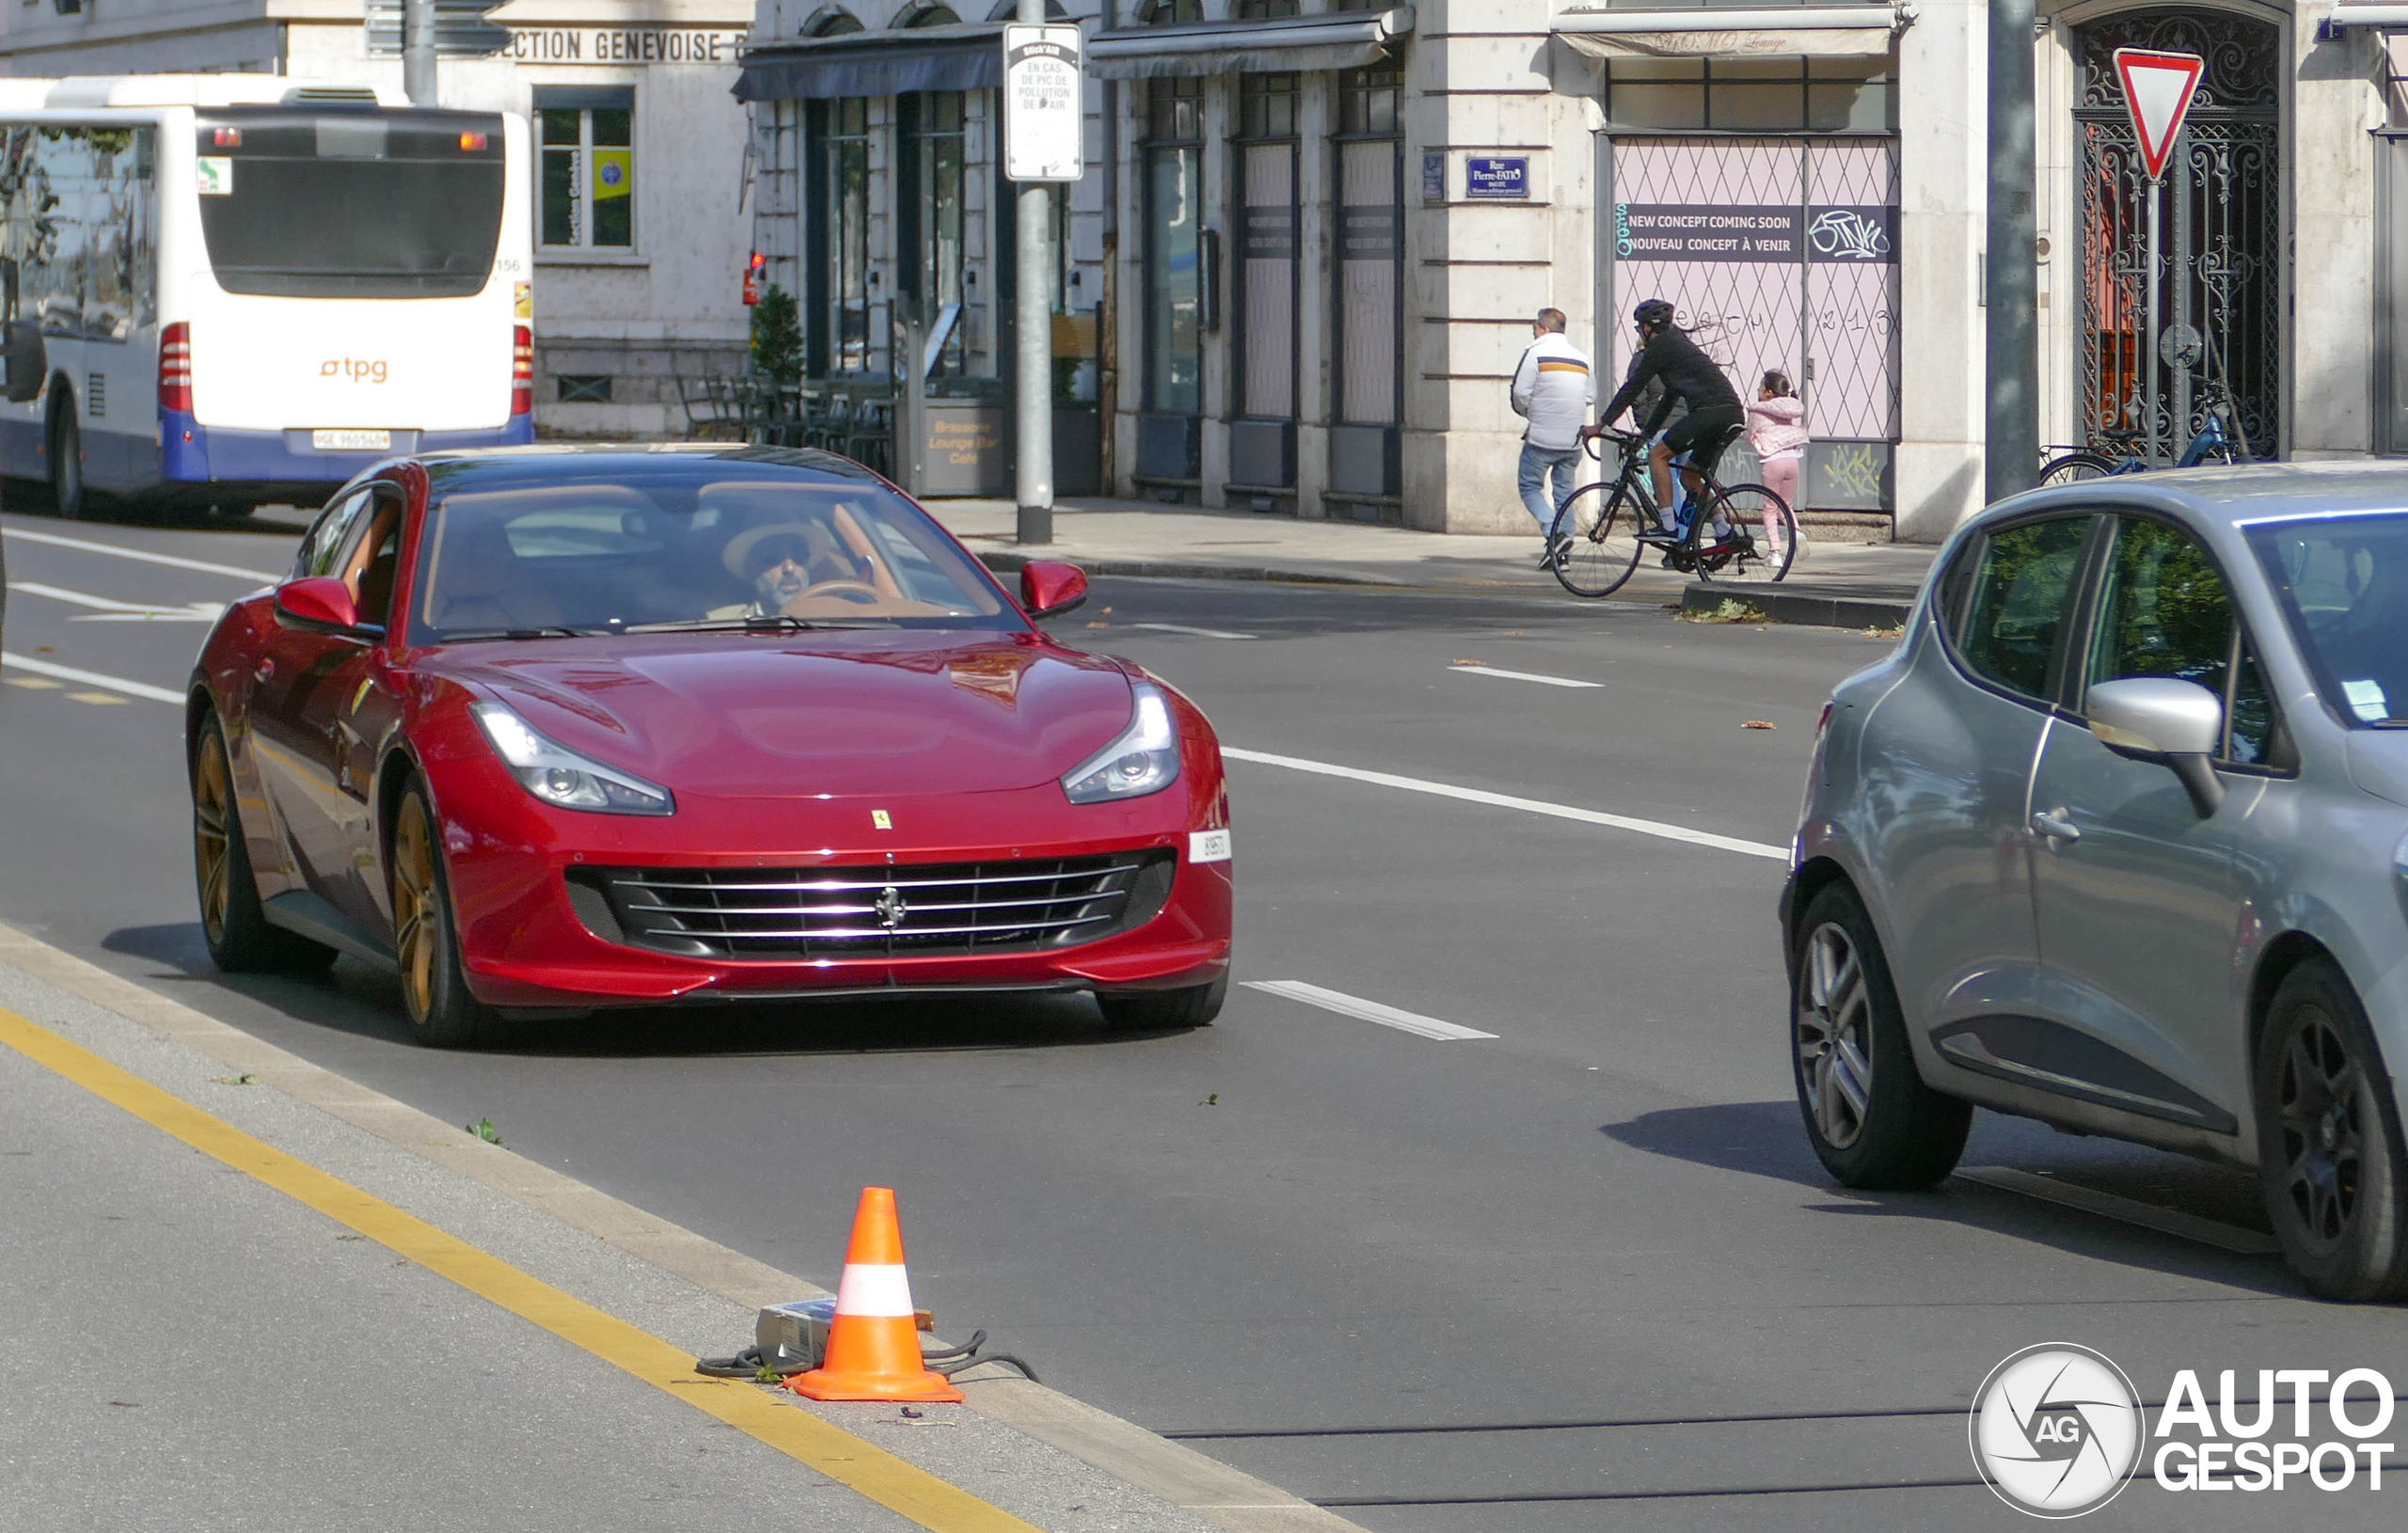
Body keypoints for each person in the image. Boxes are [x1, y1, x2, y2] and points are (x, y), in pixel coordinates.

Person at [1594, 298, 1744, 545]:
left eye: (1639, 327)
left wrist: (1601, 424)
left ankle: (1668, 525)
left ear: (1647, 328)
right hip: (1729, 413)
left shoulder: (1660, 347)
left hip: (1711, 412)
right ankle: (1724, 531)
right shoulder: (1677, 345)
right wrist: (1645, 433)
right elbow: (1669, 398)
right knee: (1691, 478)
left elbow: (1632, 388)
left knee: (1657, 455)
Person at [1508, 308, 1594, 568]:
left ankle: (1553, 531)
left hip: (1542, 438)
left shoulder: (1535, 352)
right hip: (1573, 439)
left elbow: (1520, 393)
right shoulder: (1582, 358)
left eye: (1535, 327)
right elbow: (1591, 396)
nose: (1534, 332)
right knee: (1565, 492)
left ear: (1543, 328)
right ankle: (1561, 553)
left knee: (1529, 486)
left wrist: (1531, 413)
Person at [1746, 369, 1807, 561]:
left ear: (1768, 392)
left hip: (1772, 462)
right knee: (1786, 505)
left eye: (1760, 387)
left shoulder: (1758, 410)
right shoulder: (1788, 408)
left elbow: (1748, 434)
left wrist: (1754, 441)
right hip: (1792, 460)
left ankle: (1775, 554)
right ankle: (1796, 533)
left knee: (1770, 509)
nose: (1758, 389)